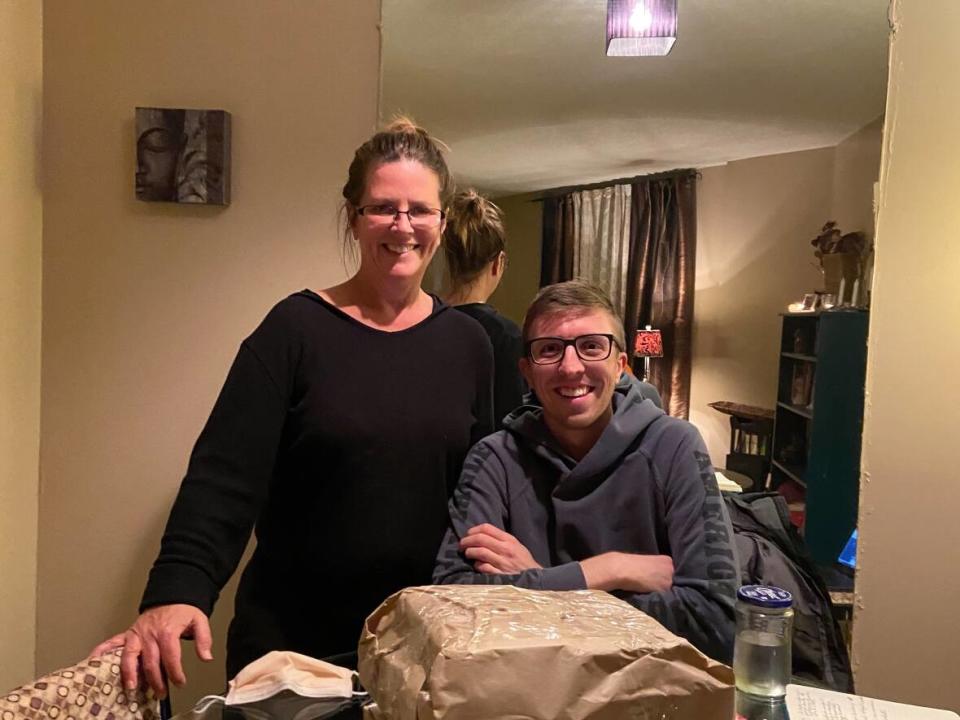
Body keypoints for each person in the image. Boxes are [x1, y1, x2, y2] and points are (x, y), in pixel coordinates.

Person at [93, 118, 495, 696]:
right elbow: (223, 479)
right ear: (354, 217)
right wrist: (175, 592)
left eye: (419, 210)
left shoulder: (468, 345)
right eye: (383, 207)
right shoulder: (294, 330)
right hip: (290, 648)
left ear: (442, 221)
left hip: (423, 648)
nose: (402, 226)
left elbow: (482, 483)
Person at [433, 280, 737, 662]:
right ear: (527, 372)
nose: (571, 367)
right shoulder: (494, 459)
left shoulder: (674, 446)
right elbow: (451, 603)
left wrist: (539, 582)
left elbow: (716, 622)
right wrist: (605, 570)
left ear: (620, 364)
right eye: (550, 350)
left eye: (592, 346)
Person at [442, 189, 525, 425]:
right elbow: (510, 422)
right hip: (483, 459)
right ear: (498, 262)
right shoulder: (505, 336)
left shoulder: (424, 321)